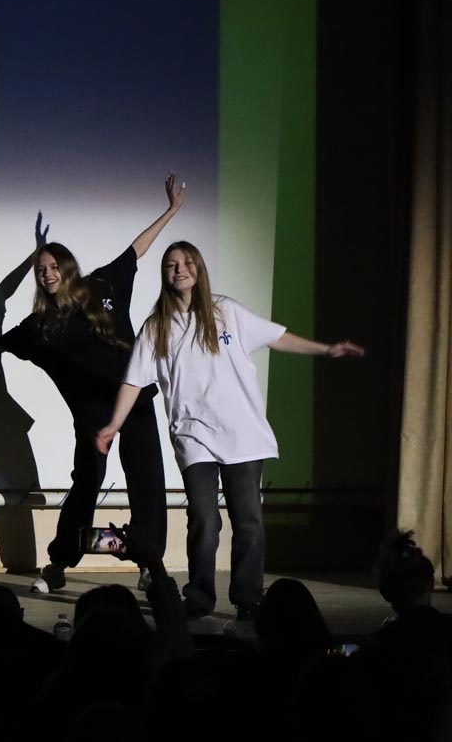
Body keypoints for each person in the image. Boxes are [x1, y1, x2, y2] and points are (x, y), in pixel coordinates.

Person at [0, 176, 185, 594]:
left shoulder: (103, 285)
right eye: (41, 271)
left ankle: (150, 563)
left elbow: (137, 249)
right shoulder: (39, 327)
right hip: (91, 413)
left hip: (134, 399)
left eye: (54, 267)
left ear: (68, 269)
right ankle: (58, 564)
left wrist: (171, 210)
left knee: (146, 481)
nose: (47, 275)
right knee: (87, 482)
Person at [95, 242, 364, 619]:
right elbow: (134, 380)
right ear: (165, 274)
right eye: (171, 264)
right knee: (204, 519)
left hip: (242, 434)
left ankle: (248, 598)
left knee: (248, 519)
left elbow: (276, 336)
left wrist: (326, 350)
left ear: (199, 269)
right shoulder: (157, 327)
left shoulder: (225, 311)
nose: (179, 269)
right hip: (194, 436)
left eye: (187, 262)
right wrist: (113, 425)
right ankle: (199, 596)